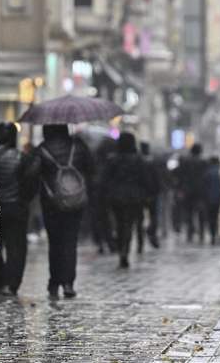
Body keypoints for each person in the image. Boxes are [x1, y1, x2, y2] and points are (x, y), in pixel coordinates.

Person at [25, 124, 94, 299]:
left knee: (55, 242)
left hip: (51, 202)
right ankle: (69, 283)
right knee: (70, 241)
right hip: (75, 200)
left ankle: (54, 282)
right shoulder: (78, 146)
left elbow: (31, 174)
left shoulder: (43, 149)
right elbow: (92, 168)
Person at [0, 122, 33, 296]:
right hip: (16, 208)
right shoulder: (23, 158)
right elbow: (29, 185)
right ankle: (13, 283)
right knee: (16, 247)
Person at [100, 132, 153, 268]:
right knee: (129, 224)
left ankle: (121, 247)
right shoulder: (138, 160)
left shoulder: (113, 160)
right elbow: (145, 180)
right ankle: (125, 251)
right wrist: (147, 194)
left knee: (119, 224)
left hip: (116, 197)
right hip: (135, 197)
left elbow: (104, 180)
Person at [175, 144, 209, 243]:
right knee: (201, 213)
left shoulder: (185, 162)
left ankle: (190, 233)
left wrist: (180, 189)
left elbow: (180, 177)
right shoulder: (204, 162)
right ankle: (201, 234)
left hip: (188, 191)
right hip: (201, 191)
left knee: (189, 213)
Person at [202, 156, 220, 245]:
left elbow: (204, 187)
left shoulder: (207, 173)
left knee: (211, 219)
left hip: (210, 200)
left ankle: (213, 236)